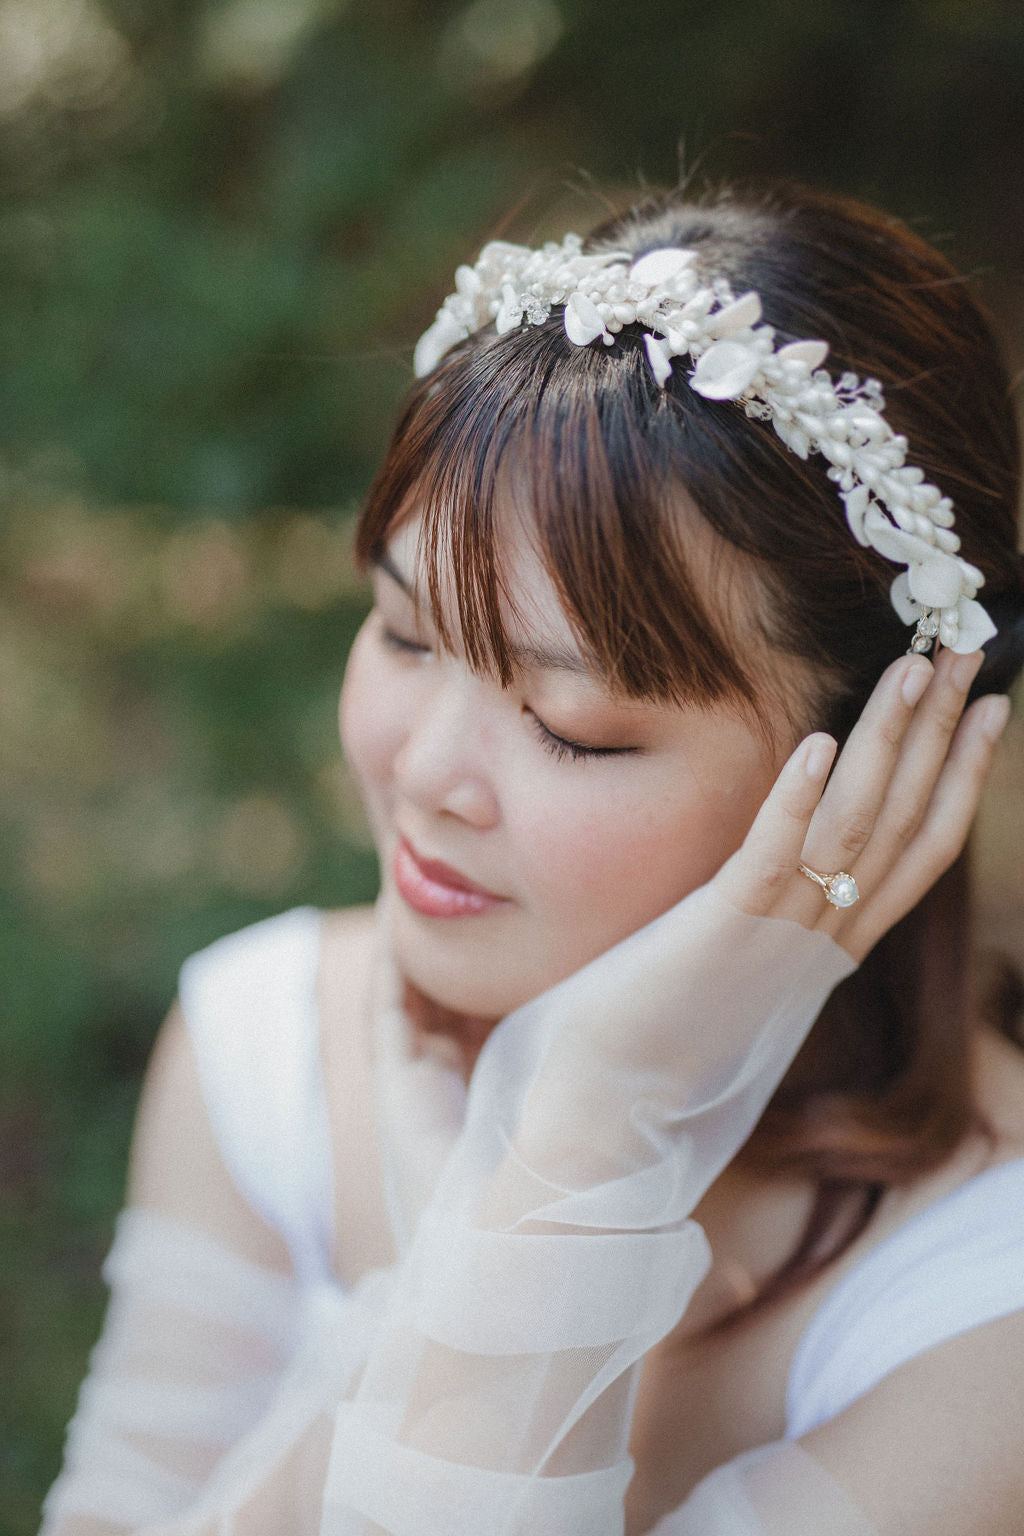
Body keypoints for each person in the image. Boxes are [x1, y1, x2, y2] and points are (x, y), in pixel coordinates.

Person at [41, 180, 1024, 1536]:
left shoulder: (983, 1296)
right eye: (401, 635)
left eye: (572, 728)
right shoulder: (270, 1046)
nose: (428, 774)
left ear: (873, 764)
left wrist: (588, 1128)